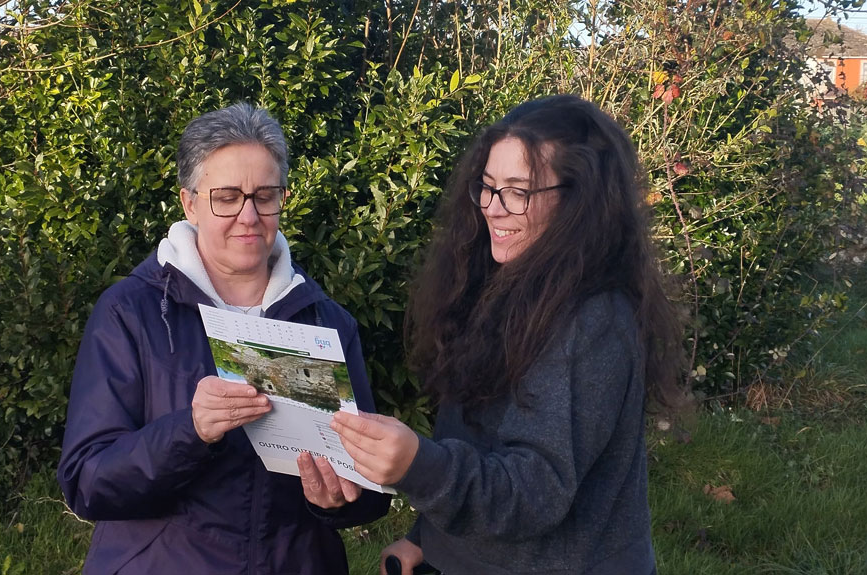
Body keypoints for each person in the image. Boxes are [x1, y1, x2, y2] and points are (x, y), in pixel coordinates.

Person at [331, 94, 686, 575]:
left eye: (518, 191)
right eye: (488, 186)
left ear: (579, 200)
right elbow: (480, 440)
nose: (493, 209)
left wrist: (420, 466)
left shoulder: (593, 320)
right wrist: (428, 541)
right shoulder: (503, 282)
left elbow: (536, 489)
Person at [58, 102, 390, 575]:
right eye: (227, 197)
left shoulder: (326, 323)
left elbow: (370, 492)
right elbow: (86, 481)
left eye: (265, 195)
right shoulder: (131, 313)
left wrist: (336, 501)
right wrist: (189, 432)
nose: (249, 216)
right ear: (190, 202)